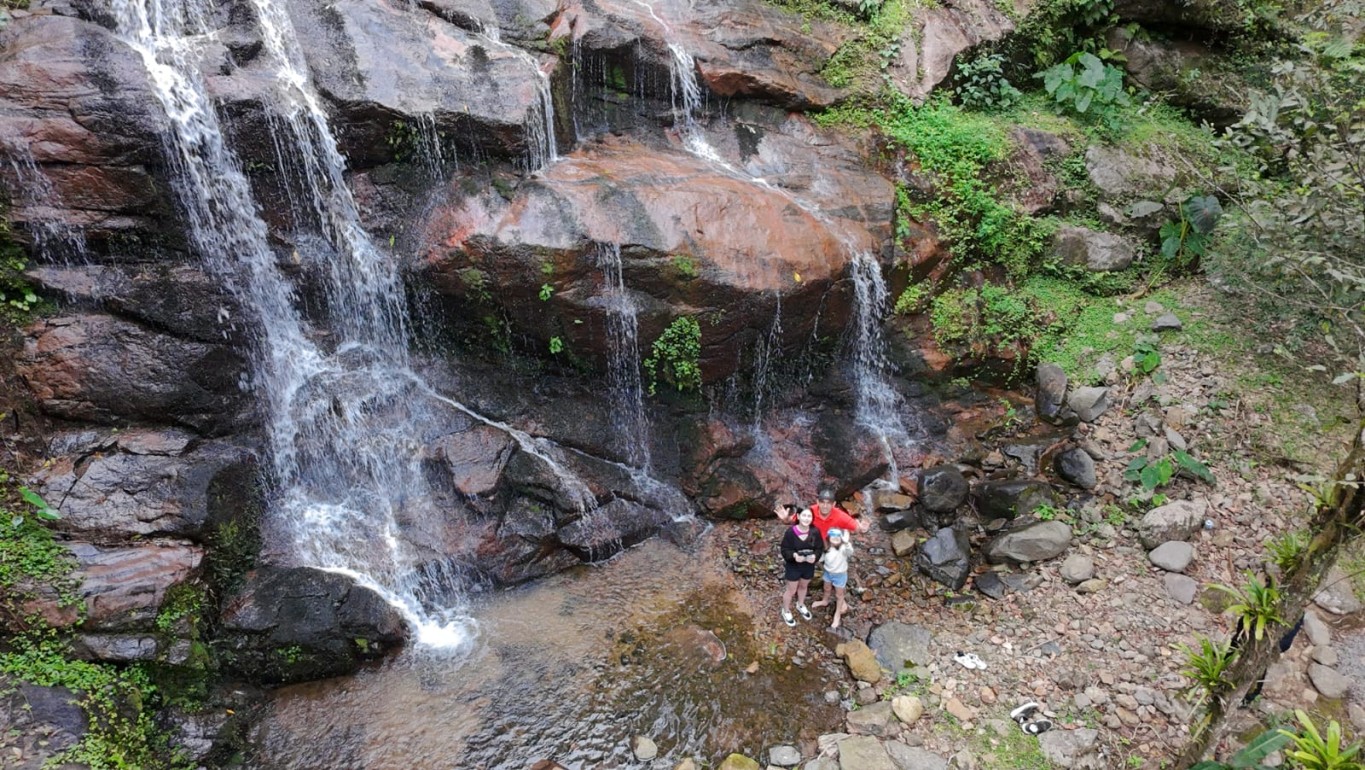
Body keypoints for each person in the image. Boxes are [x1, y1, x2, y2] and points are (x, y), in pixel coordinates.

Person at [778, 508, 825, 626]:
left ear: (812, 518)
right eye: (804, 516)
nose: (806, 519)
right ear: (798, 516)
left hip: (808, 566)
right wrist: (793, 555)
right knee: (791, 590)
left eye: (809, 516)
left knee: (804, 586)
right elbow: (784, 549)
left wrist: (815, 556)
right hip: (794, 566)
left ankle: (800, 604)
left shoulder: (815, 532)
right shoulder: (790, 532)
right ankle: (786, 610)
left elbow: (819, 548)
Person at [811, 527, 853, 629]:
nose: (835, 539)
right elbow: (823, 558)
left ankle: (837, 614)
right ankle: (825, 601)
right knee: (826, 588)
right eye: (833, 537)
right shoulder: (828, 548)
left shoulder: (843, 549)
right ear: (828, 538)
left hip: (840, 575)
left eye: (838, 537)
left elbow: (850, 552)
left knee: (839, 595)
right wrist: (814, 557)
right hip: (828, 573)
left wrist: (847, 543)